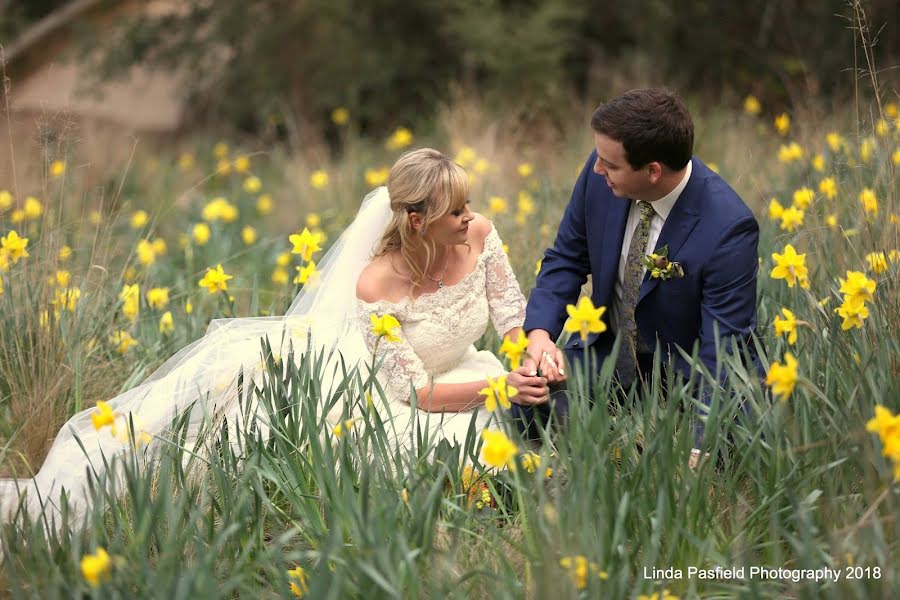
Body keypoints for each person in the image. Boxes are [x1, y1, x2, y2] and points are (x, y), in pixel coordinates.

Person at [0, 147, 548, 527]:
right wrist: (502, 389)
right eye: (455, 210)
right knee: (429, 451)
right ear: (415, 221)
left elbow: (508, 312)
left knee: (522, 439)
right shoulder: (377, 283)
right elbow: (415, 395)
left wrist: (527, 356)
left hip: (462, 370)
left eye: (467, 205)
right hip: (385, 389)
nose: (470, 216)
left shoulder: (476, 235)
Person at [522, 88, 761, 467]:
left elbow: (723, 349)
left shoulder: (728, 228)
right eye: (599, 160)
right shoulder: (600, 171)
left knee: (715, 452)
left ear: (652, 171)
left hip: (688, 376)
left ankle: (657, 447)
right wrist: (540, 336)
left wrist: (702, 443)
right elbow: (566, 258)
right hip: (613, 357)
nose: (598, 170)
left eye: (610, 165)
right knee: (526, 402)